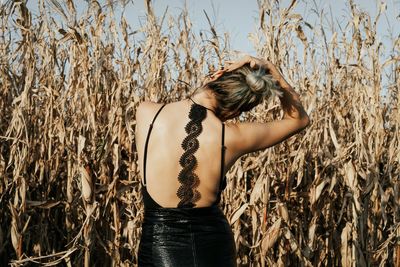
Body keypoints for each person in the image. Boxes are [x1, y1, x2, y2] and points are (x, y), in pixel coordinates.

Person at [134, 55, 310, 266]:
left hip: (159, 248)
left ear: (217, 76)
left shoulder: (146, 112)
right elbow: (299, 119)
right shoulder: (232, 136)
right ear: (236, 110)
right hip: (214, 247)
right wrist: (270, 68)